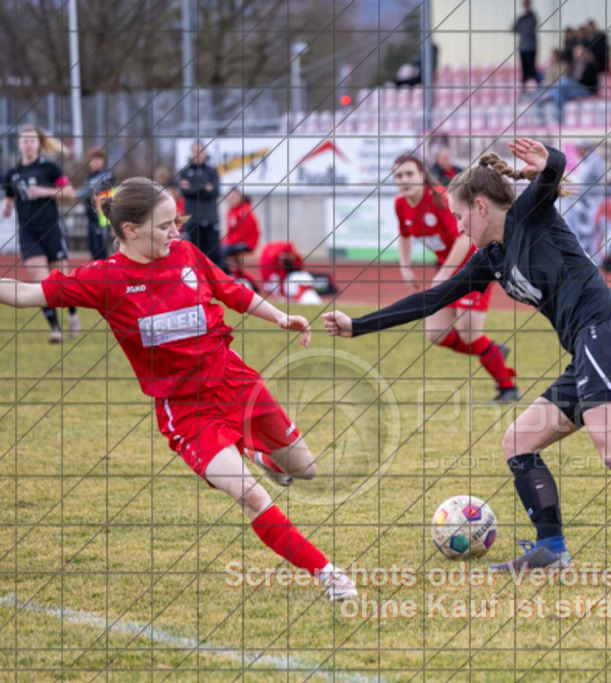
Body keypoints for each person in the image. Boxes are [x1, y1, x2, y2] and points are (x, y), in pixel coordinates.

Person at [324, 139, 611, 575]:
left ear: (482, 206)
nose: (458, 223)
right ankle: (550, 548)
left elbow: (551, 174)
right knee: (519, 442)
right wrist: (358, 325)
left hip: (607, 334)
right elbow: (433, 298)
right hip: (587, 348)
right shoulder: (492, 259)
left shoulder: (530, 217)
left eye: (460, 214)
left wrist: (550, 162)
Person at [0, 177, 358, 601]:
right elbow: (26, 293)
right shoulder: (104, 279)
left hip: (236, 383)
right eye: (165, 225)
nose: (177, 233)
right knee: (250, 494)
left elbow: (231, 290)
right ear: (130, 230)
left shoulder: (186, 254)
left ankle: (260, 452)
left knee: (306, 470)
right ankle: (329, 574)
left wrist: (280, 317)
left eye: (177, 223)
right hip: (188, 412)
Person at [392, 153, 519, 402]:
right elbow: (405, 235)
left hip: (473, 267)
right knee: (436, 334)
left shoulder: (439, 198)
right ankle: (491, 351)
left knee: (468, 333)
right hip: (448, 269)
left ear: (422, 175)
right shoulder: (400, 204)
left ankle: (508, 388)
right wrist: (405, 266)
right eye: (398, 175)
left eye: (409, 173)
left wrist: (444, 274)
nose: (404, 179)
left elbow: (463, 238)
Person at [2, 123, 79, 344]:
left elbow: (69, 192)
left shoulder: (50, 168)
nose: (28, 145)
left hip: (52, 229)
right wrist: (7, 206)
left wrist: (44, 191)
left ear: (38, 143)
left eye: (32, 140)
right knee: (42, 280)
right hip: (28, 233)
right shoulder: (12, 173)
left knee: (62, 280)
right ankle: (55, 329)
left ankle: (73, 314)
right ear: (18, 144)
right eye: (24, 141)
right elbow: (10, 196)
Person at [175, 140, 222, 268]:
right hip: (192, 221)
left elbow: (215, 192)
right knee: (194, 257)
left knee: (214, 256)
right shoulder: (184, 171)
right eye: (195, 151)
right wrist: (203, 188)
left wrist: (194, 188)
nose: (198, 155)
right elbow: (185, 192)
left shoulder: (212, 171)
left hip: (210, 220)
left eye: (201, 151)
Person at [528, 43, 598, 124]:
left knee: (563, 81)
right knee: (556, 90)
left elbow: (587, 82)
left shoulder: (589, 64)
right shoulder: (574, 64)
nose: (577, 55)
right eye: (576, 53)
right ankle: (555, 119)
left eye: (579, 52)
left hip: (586, 89)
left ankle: (548, 94)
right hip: (573, 88)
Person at [78, 146, 116, 261]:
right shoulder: (89, 178)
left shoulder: (107, 176)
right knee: (93, 249)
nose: (95, 162)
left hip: (102, 218)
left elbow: (98, 192)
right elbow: (83, 195)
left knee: (102, 250)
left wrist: (90, 194)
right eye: (93, 159)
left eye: (98, 159)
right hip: (91, 217)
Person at [222, 187, 261, 284]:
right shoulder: (231, 211)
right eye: (230, 196)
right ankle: (233, 276)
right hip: (235, 243)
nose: (232, 198)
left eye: (234, 196)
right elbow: (230, 231)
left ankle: (227, 277)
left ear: (241, 197)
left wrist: (228, 243)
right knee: (219, 250)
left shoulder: (244, 211)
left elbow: (244, 233)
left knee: (221, 251)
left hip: (247, 243)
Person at [512, 0, 539, 90]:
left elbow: (530, 27)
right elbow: (513, 28)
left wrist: (522, 28)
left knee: (531, 69)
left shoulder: (533, 16)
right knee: (524, 70)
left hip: (531, 47)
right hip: (523, 47)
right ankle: (525, 90)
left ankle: (533, 89)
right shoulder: (521, 18)